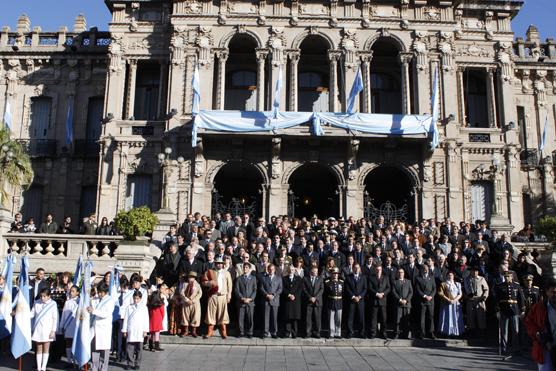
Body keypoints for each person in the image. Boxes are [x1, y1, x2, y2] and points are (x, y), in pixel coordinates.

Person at [525, 278, 556, 371]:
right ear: (547, 292)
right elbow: (529, 323)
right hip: (545, 349)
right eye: (553, 292)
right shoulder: (538, 308)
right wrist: (537, 333)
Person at [495, 270, 526, 359]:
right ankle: (504, 348)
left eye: (508, 276)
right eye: (505, 276)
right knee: (504, 330)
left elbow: (521, 299)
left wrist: (523, 310)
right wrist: (497, 310)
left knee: (515, 330)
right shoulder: (500, 286)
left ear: (512, 277)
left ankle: (516, 349)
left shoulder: (517, 286)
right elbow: (497, 299)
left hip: (515, 310)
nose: (507, 278)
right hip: (504, 310)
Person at [202, 257, 233, 339]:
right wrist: (209, 283)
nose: (219, 265)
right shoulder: (210, 272)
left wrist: (229, 296)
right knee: (210, 314)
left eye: (220, 263)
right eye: (217, 263)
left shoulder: (226, 273)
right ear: (215, 264)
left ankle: (223, 332)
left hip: (222, 296)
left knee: (223, 314)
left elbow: (230, 286)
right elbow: (203, 282)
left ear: (223, 264)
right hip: (213, 295)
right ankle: (210, 331)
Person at [30, 288, 59, 371]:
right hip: (38, 329)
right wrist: (21, 314)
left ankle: (43, 367)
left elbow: (55, 318)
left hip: (48, 329)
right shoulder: (37, 303)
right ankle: (39, 368)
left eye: (44, 296)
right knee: (39, 348)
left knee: (46, 348)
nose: (42, 298)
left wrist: (53, 330)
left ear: (49, 296)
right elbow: (32, 314)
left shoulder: (53, 304)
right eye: (41, 296)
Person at [88, 283, 115, 371]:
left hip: (104, 329)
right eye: (98, 292)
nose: (99, 294)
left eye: (101, 292)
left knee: (104, 351)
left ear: (105, 292)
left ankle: (103, 368)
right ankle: (94, 367)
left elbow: (106, 314)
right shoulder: (96, 299)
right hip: (95, 328)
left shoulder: (110, 300)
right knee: (94, 349)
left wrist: (94, 311)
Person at [121, 290, 149, 371]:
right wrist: (125, 330)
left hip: (140, 329)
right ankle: (130, 363)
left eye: (137, 298)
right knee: (130, 348)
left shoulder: (144, 307)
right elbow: (126, 319)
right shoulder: (129, 307)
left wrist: (145, 330)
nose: (136, 300)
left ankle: (137, 363)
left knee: (139, 348)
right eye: (134, 298)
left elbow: (146, 319)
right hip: (131, 329)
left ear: (140, 299)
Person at [463, 266, 489, 337]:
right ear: (470, 271)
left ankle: (482, 332)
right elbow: (464, 290)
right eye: (473, 271)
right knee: (470, 316)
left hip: (479, 300)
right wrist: (465, 296)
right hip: (470, 300)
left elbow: (486, 289)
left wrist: (484, 297)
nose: (475, 272)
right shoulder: (466, 279)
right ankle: (472, 332)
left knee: (481, 317)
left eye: (476, 271)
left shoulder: (481, 279)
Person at [438, 271, 464, 338]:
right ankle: (446, 332)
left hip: (455, 303)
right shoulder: (443, 284)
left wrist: (454, 300)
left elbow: (460, 294)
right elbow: (441, 294)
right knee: (448, 318)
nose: (450, 276)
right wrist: (448, 300)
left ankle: (456, 333)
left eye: (451, 275)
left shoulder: (457, 284)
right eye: (449, 275)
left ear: (453, 276)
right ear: (446, 276)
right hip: (446, 304)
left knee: (455, 318)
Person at [58, 285, 79, 366]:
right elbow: (64, 314)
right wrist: (62, 325)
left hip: (76, 326)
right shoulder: (67, 302)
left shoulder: (80, 302)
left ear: (77, 293)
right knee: (68, 343)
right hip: (68, 325)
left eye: (73, 291)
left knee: (76, 343)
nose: (71, 292)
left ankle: (76, 361)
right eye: (71, 291)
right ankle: (69, 361)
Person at [260, 264, 282, 338]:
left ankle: (274, 332)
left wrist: (273, 295)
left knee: (274, 317)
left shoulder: (279, 278)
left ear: (274, 270)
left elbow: (280, 289)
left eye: (272, 269)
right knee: (266, 317)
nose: (271, 270)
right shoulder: (263, 278)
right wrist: (266, 295)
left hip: (275, 300)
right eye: (270, 269)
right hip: (266, 300)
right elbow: (261, 288)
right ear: (268, 270)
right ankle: (266, 332)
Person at [368, 264, 390, 339]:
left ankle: (383, 333)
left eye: (379, 269)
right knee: (373, 318)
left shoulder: (386, 277)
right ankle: (373, 333)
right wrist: (377, 294)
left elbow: (388, 288)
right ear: (375, 270)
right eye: (377, 269)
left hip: (383, 300)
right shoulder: (371, 278)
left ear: (381, 270)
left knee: (384, 318)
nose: (378, 271)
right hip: (374, 300)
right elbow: (370, 288)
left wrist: (383, 294)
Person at [234, 263, 257, 338]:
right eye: (244, 267)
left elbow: (255, 290)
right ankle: (241, 332)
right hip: (241, 302)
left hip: (250, 302)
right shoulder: (239, 278)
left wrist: (250, 299)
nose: (245, 269)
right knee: (240, 318)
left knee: (250, 318)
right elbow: (237, 290)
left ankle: (250, 332)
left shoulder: (253, 278)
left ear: (249, 269)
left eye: (246, 267)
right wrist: (242, 298)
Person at [415, 264, 436, 339]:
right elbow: (418, 289)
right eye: (424, 268)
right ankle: (422, 333)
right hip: (422, 301)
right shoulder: (418, 278)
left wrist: (431, 296)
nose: (425, 269)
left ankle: (431, 332)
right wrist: (424, 296)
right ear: (421, 270)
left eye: (426, 268)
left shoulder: (432, 278)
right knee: (422, 318)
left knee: (431, 317)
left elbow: (434, 289)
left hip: (430, 300)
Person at [345, 263, 367, 338]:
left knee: (361, 317)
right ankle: (350, 332)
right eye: (355, 268)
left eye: (358, 268)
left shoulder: (363, 277)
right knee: (350, 317)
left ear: (360, 269)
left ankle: (362, 333)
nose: (356, 269)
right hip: (352, 300)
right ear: (353, 268)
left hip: (360, 300)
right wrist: (353, 296)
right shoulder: (348, 277)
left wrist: (360, 297)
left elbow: (365, 288)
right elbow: (347, 288)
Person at [180, 271, 202, 337]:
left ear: (194, 278)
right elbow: (181, 292)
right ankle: (186, 331)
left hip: (194, 303)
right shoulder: (184, 284)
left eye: (192, 277)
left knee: (195, 316)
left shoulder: (197, 285)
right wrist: (186, 299)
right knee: (185, 316)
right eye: (189, 277)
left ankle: (193, 331)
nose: (190, 278)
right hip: (186, 302)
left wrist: (193, 300)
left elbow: (200, 293)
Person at [282, 266, 303, 338]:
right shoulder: (284, 278)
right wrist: (288, 294)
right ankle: (287, 332)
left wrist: (294, 295)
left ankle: (294, 332)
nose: (291, 271)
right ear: (287, 270)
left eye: (292, 270)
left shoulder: (299, 279)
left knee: (294, 317)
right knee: (287, 317)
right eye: (290, 269)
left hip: (295, 300)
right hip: (287, 300)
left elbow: (300, 289)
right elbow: (283, 288)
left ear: (295, 271)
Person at [303, 265, 323, 338]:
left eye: (317, 271)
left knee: (317, 318)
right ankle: (308, 333)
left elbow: (321, 289)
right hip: (309, 301)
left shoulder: (320, 278)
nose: (315, 273)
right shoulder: (305, 279)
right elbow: (304, 289)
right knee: (308, 318)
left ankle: (317, 332)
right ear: (311, 271)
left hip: (317, 301)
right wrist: (310, 297)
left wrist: (315, 297)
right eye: (314, 271)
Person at [392, 268, 413, 339]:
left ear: (404, 273)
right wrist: (399, 299)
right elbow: (394, 292)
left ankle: (405, 334)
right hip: (398, 304)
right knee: (397, 319)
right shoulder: (395, 282)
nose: (401, 273)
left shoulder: (408, 281)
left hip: (407, 304)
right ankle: (396, 334)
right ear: (397, 274)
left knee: (406, 320)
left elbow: (411, 292)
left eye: (402, 272)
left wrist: (406, 300)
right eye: (399, 272)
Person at [325, 267, 344, 339]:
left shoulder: (341, 282)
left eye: (337, 274)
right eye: (334, 274)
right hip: (331, 301)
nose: (336, 275)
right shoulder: (327, 282)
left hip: (339, 302)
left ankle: (338, 333)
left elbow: (343, 293)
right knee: (331, 319)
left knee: (338, 319)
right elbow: (326, 294)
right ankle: (331, 333)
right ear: (331, 274)